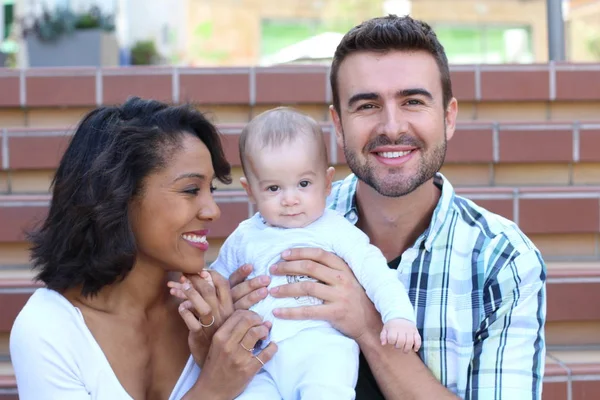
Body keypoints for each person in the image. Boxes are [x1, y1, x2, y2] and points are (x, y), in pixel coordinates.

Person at [226, 15, 547, 399]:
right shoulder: (279, 223)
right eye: (367, 105)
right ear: (338, 124)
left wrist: (367, 325)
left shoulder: (503, 260)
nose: (392, 127)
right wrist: (225, 312)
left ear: (448, 117)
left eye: (413, 101)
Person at [9, 97, 277, 400]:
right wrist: (213, 388)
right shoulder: (49, 328)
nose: (212, 210)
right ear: (118, 196)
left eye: (210, 189)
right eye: (191, 190)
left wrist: (220, 346)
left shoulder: (210, 312)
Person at [207, 107, 420, 399]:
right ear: (251, 191)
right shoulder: (244, 236)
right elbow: (217, 280)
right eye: (273, 188)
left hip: (321, 349)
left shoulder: (335, 230)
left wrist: (398, 317)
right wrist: (203, 290)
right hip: (260, 356)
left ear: (327, 182)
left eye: (304, 184)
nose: (290, 199)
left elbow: (376, 273)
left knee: (325, 389)